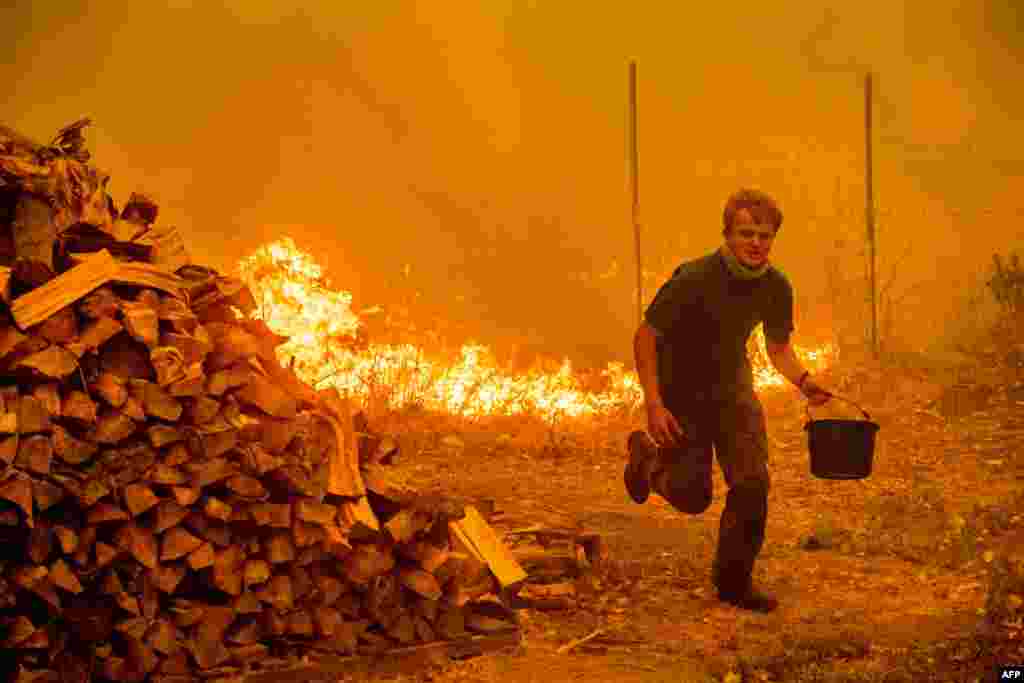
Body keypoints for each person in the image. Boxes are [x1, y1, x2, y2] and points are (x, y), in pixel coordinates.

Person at [625, 188, 832, 613]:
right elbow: (645, 336)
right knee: (691, 496)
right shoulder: (694, 278)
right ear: (728, 235)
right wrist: (654, 403)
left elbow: (778, 349)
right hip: (682, 390)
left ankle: (733, 582)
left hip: (733, 388)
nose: (756, 243)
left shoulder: (776, 286)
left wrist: (804, 381)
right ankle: (646, 462)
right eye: (747, 234)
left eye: (765, 235)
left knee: (752, 482)